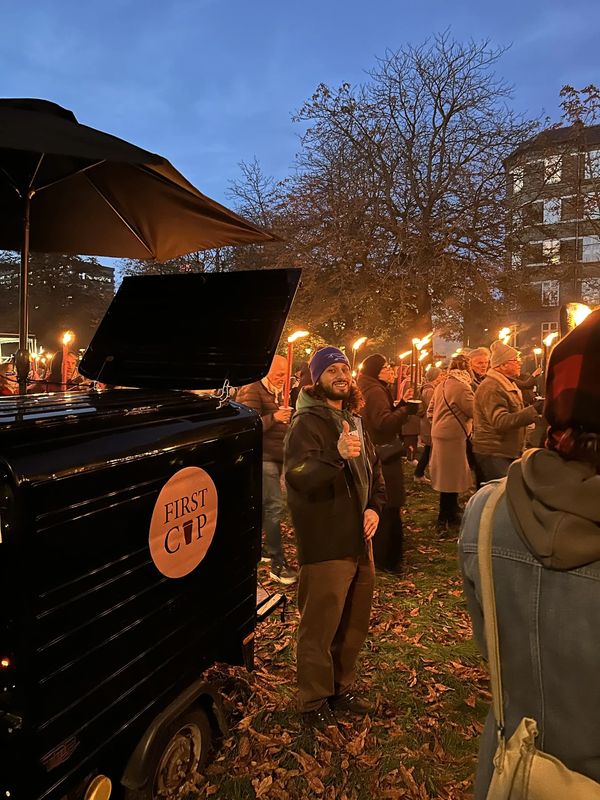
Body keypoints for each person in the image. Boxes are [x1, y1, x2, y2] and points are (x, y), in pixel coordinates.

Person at [459, 308, 600, 798]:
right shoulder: (489, 387)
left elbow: (492, 636)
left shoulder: (486, 515)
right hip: (496, 449)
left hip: (517, 767)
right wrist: (528, 412)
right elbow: (495, 420)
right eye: (510, 360)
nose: (518, 365)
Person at [284, 346, 385, 729]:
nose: (341, 374)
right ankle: (313, 701)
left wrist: (374, 506)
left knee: (354, 622)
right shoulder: (306, 422)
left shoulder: (352, 418)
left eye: (345, 368)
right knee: (320, 625)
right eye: (331, 369)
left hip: (360, 539)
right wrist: (336, 455)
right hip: (327, 541)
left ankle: (341, 688)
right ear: (316, 378)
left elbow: (374, 468)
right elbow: (299, 476)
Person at [236, 355, 296, 585]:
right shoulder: (252, 389)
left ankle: (256, 549)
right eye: (279, 374)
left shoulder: (271, 390)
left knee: (262, 507)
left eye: (285, 374)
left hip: (274, 456)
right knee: (273, 507)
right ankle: (277, 564)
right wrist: (275, 416)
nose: (283, 379)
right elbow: (247, 425)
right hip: (262, 458)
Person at [357, 353, 411, 573]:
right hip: (384, 454)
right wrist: (405, 409)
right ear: (375, 371)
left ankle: (384, 556)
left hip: (375, 452)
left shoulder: (368, 387)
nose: (391, 370)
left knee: (384, 502)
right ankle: (388, 559)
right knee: (389, 503)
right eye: (387, 367)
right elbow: (382, 423)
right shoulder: (376, 391)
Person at [471, 340, 542, 482]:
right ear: (502, 365)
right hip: (493, 452)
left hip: (504, 451)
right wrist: (532, 411)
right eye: (515, 360)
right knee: (496, 499)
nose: (519, 363)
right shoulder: (492, 387)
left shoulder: (506, 384)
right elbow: (500, 421)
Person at [428, 354, 474, 531]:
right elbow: (473, 410)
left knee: (447, 475)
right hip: (453, 437)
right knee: (451, 477)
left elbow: (430, 409)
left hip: (441, 434)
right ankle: (446, 515)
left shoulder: (442, 384)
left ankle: (451, 509)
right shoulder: (462, 387)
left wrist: (437, 422)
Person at [414, 367, 444, 483]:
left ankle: (419, 473)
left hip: (430, 424)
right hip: (429, 424)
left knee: (428, 450)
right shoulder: (429, 390)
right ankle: (421, 474)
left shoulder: (432, 388)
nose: (442, 377)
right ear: (434, 376)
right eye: (440, 375)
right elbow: (434, 406)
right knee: (429, 451)